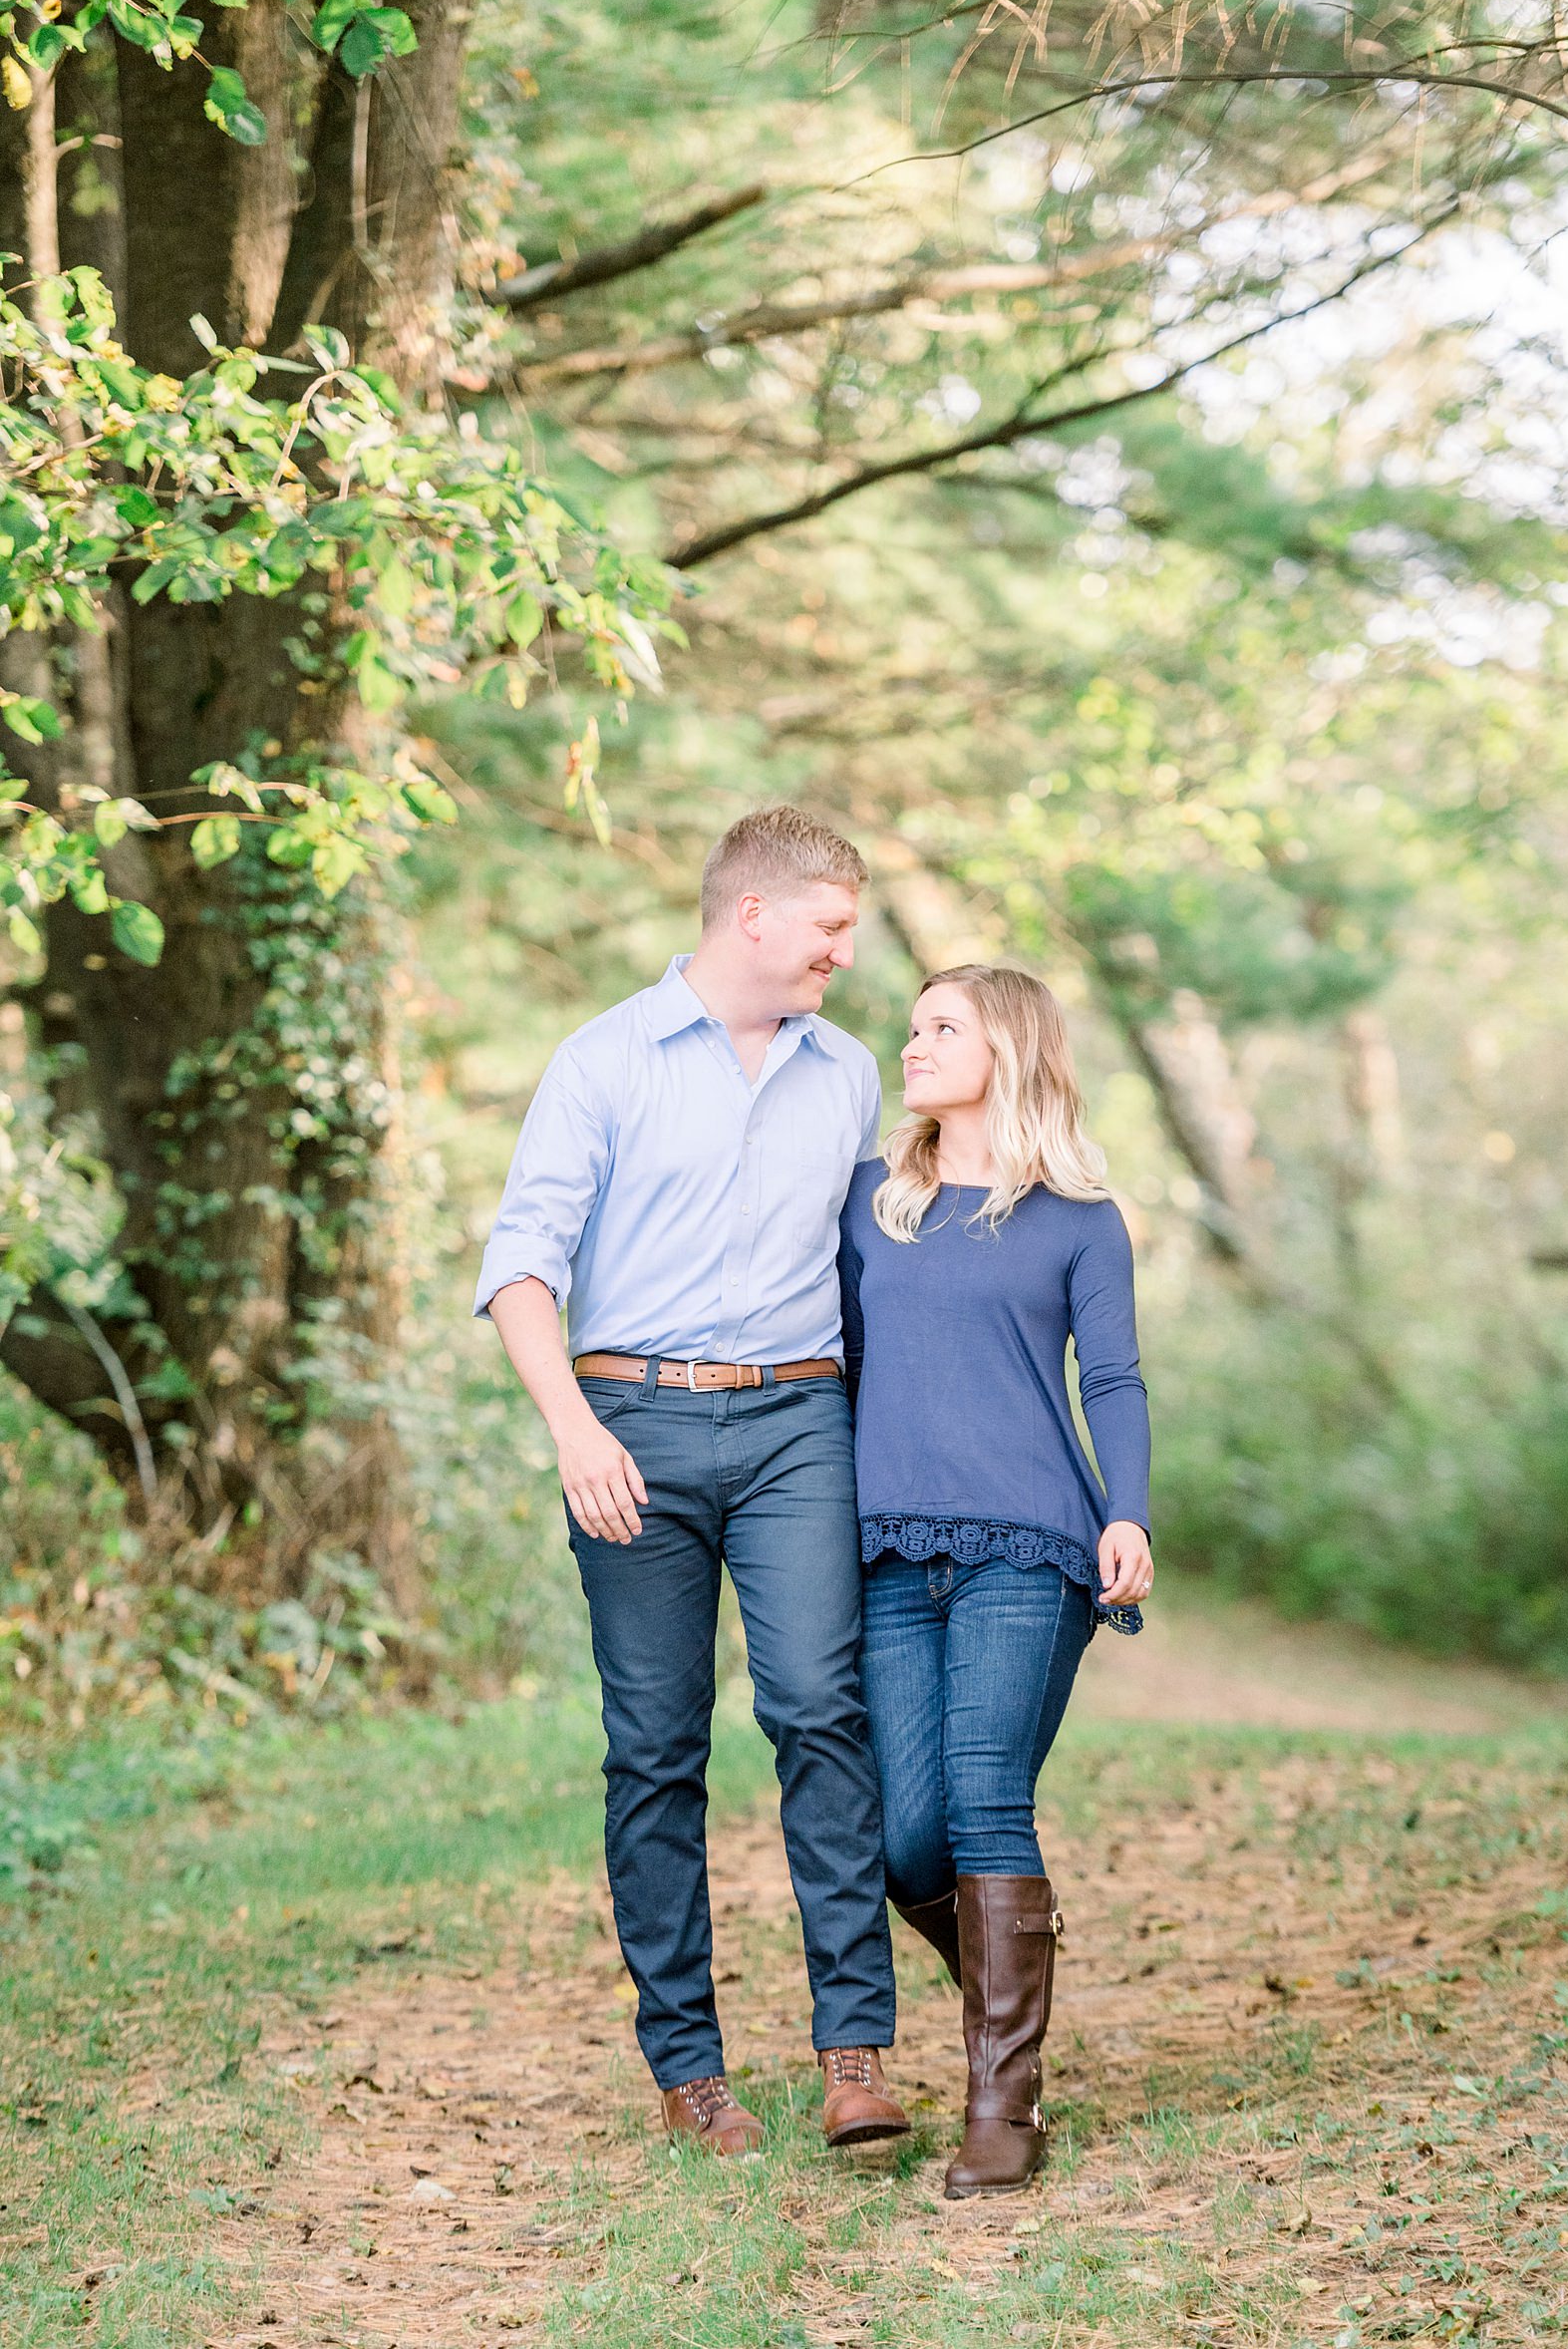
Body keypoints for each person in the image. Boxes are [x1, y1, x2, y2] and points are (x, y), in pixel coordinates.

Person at [475, 807, 909, 2158]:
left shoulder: (844, 1074)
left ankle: (855, 2054)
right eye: (832, 926)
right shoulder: (602, 1060)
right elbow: (520, 1266)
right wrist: (573, 1430)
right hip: (630, 1428)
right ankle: (691, 2071)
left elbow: (869, 1264)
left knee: (820, 1713)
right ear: (753, 918)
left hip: (797, 1424)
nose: (846, 950)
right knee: (656, 1748)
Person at [838, 965, 1153, 2198]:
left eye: (942, 1028)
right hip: (883, 1551)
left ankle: (1000, 2104)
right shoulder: (870, 1200)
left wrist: (1125, 1510)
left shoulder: (1081, 1216)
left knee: (982, 1802)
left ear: (1008, 1048)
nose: (912, 1045)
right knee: (907, 1838)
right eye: (911, 1027)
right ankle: (1016, 1971)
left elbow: (1114, 1383)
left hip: (1031, 1547)